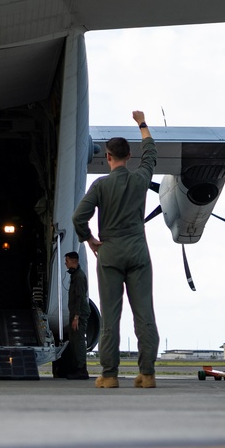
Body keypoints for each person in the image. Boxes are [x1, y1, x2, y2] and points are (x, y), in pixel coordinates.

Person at [72, 110, 159, 390]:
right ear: (129, 156)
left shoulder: (100, 185)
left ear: (107, 156)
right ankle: (147, 375)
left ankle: (109, 376)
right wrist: (142, 124)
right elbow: (151, 152)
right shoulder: (141, 178)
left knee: (111, 317)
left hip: (109, 253)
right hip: (137, 251)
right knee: (144, 314)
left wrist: (89, 240)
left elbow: (78, 218)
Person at [64, 250, 91, 380]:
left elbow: (80, 297)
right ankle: (77, 368)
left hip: (78, 314)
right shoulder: (75, 276)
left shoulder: (79, 277)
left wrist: (76, 317)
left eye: (67, 261)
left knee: (78, 341)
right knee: (74, 341)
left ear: (73, 261)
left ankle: (81, 370)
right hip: (76, 313)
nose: (65, 263)